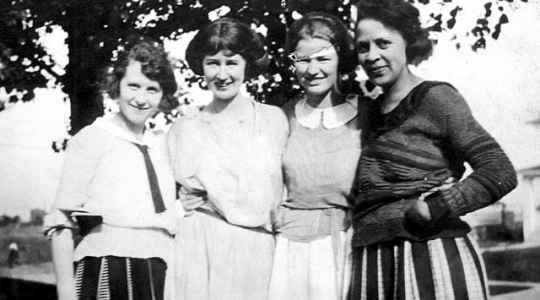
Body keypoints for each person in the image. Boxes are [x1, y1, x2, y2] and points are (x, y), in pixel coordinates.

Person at [349, 0, 518, 299]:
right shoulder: (369, 113)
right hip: (373, 261)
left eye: (383, 43)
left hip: (429, 255)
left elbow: (498, 170)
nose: (372, 56)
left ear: (408, 42)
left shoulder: (436, 98)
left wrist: (438, 206)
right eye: (363, 47)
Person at [45, 36, 179, 300]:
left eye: (152, 89)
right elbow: (61, 221)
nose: (141, 99)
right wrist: (66, 294)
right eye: (133, 86)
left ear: (163, 95)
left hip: (162, 267)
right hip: (108, 266)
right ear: (116, 86)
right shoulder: (92, 138)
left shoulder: (163, 144)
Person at [167, 18, 289, 300]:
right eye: (213, 63)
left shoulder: (272, 121)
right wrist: (181, 202)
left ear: (246, 64)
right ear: (202, 66)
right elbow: (167, 196)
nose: (222, 74)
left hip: (257, 252)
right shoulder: (186, 127)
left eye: (231, 62)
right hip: (200, 249)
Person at [268, 12, 366, 300]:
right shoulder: (281, 116)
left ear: (340, 60)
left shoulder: (367, 113)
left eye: (322, 58)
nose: (312, 69)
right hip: (290, 250)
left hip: (346, 245)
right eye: (303, 59)